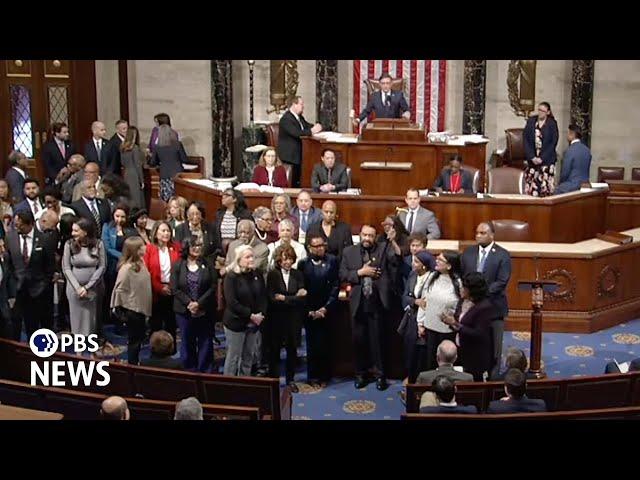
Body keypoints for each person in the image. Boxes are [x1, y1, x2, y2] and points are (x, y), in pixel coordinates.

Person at [340, 224, 400, 391]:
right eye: (364, 235)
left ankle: (381, 375)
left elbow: (396, 260)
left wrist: (393, 241)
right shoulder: (349, 252)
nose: (367, 238)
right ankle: (360, 374)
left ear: (375, 237)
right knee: (358, 341)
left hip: (377, 303)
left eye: (371, 236)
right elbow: (342, 274)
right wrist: (360, 272)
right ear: (359, 234)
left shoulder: (383, 249)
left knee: (378, 342)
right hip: (358, 303)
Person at [461, 221, 512, 379]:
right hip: (471, 309)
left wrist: (479, 294)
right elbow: (463, 276)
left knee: (495, 349)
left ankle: (493, 381)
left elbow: (502, 281)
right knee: (472, 345)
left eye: (482, 233)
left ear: (492, 235)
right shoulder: (468, 253)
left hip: (494, 309)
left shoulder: (502, 254)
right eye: (477, 232)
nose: (478, 236)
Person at [5, 210, 56, 339]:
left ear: (30, 224)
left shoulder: (45, 239)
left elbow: (49, 267)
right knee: (14, 324)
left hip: (38, 291)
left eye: (20, 225)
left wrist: (42, 286)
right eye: (15, 225)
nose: (17, 228)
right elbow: (9, 264)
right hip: (17, 290)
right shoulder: (10, 238)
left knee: (33, 327)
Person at [171, 235, 218, 373]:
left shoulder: (207, 263)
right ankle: (189, 370)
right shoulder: (178, 264)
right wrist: (189, 303)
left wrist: (199, 303)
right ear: (187, 247)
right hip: (184, 311)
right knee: (187, 340)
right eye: (194, 245)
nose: (198, 248)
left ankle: (205, 370)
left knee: (205, 340)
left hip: (205, 309)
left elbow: (213, 286)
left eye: (199, 245)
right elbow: (174, 288)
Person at [298, 233, 339, 386]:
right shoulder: (304, 264)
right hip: (309, 309)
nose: (320, 249)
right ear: (310, 248)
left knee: (325, 344)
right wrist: (309, 309)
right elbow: (301, 288)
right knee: (311, 344)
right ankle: (312, 376)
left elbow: (335, 286)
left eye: (322, 245)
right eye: (317, 246)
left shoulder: (332, 261)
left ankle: (325, 376)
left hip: (326, 309)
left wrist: (325, 308)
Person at [441, 272, 496, 381]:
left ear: (472, 290)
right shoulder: (462, 301)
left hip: (475, 354)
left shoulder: (484, 307)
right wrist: (449, 321)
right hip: (460, 348)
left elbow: (479, 333)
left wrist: (455, 324)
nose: (460, 289)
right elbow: (458, 320)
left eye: (463, 287)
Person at [266, 244, 306, 391]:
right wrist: (293, 298)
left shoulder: (298, 274)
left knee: (292, 350)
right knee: (275, 350)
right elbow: (272, 298)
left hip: (293, 319)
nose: (287, 262)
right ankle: (273, 380)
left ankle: (290, 380)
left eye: (290, 259)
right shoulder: (273, 275)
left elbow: (302, 298)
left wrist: (285, 298)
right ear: (278, 260)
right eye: (284, 259)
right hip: (276, 319)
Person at [222, 245, 267, 376]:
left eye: (252, 256)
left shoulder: (257, 273)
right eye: (247, 257)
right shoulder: (231, 277)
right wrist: (251, 315)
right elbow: (232, 303)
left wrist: (260, 315)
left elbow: (263, 296)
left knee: (248, 357)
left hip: (255, 323)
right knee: (233, 358)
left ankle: (244, 385)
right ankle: (227, 386)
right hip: (236, 323)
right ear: (238, 259)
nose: (251, 259)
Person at [415, 251, 462, 372]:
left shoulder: (458, 283)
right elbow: (423, 302)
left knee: (445, 363)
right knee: (430, 362)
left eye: (440, 260)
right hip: (430, 327)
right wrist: (420, 323)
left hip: (446, 330)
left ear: (449, 266)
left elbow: (460, 307)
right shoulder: (432, 277)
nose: (436, 261)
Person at [399, 250, 441, 383]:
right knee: (410, 352)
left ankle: (422, 382)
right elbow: (404, 297)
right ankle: (411, 380)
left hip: (427, 321)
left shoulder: (433, 278)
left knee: (422, 354)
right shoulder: (412, 275)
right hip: (411, 318)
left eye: (416, 261)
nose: (413, 263)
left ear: (424, 265)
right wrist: (414, 301)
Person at [111, 236, 152, 365]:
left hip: (141, 308)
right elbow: (119, 290)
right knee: (134, 340)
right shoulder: (126, 268)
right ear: (135, 250)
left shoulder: (141, 263)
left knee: (139, 338)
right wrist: (122, 309)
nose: (145, 248)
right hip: (132, 310)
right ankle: (132, 365)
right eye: (141, 246)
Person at [62, 217, 106, 337]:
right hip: (73, 289)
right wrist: (78, 288)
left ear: (85, 232)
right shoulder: (69, 244)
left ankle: (90, 352)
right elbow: (66, 268)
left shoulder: (99, 244)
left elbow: (102, 267)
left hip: (93, 288)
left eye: (76, 231)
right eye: (72, 230)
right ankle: (78, 352)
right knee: (76, 322)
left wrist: (87, 287)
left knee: (91, 323)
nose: (72, 233)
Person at [143, 221, 181, 346]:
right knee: (156, 323)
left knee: (171, 323)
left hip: (172, 290)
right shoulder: (149, 249)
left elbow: (180, 269)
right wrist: (159, 288)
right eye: (163, 230)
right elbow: (146, 271)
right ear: (156, 232)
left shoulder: (176, 247)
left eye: (168, 231)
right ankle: (155, 350)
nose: (166, 233)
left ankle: (171, 350)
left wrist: (171, 286)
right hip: (155, 291)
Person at [277, 96, 322, 187]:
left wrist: (316, 127)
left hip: (300, 153)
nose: (303, 106)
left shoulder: (299, 117)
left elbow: (307, 126)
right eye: (301, 104)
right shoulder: (286, 119)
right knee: (293, 180)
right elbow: (296, 133)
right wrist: (312, 131)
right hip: (290, 156)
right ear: (294, 105)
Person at [523, 101, 559, 197]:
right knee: (532, 190)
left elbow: (553, 143)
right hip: (533, 161)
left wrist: (542, 158)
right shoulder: (531, 121)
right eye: (539, 110)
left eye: (543, 111)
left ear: (548, 112)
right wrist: (532, 157)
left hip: (546, 161)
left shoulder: (552, 124)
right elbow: (525, 140)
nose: (540, 113)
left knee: (545, 190)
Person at [150, 124, 188, 201]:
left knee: (166, 200)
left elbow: (153, 162)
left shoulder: (157, 147)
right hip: (177, 175)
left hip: (164, 176)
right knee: (178, 199)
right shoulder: (178, 144)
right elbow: (184, 159)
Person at [212, 188, 252, 261]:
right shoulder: (219, 214)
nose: (223, 197)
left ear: (235, 199)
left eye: (227, 195)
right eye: (223, 194)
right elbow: (215, 234)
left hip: (238, 251)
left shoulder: (245, 215)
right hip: (221, 253)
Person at [555, 124, 592, 194]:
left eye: (567, 133)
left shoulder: (569, 151)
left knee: (556, 192)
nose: (566, 135)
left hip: (572, 186)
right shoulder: (587, 150)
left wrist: (559, 183)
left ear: (571, 134)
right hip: (586, 185)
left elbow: (565, 172)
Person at [120, 125, 146, 209]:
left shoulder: (122, 147)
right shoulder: (134, 148)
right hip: (134, 174)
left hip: (126, 174)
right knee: (136, 196)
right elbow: (137, 165)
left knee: (130, 196)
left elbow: (122, 163)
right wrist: (141, 180)